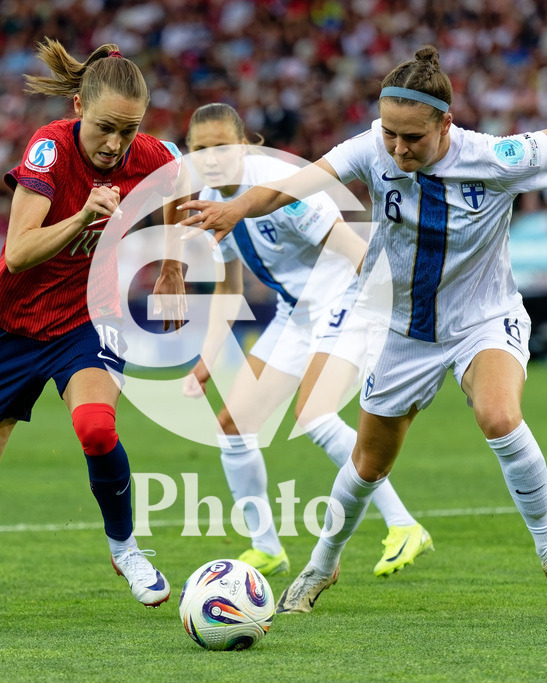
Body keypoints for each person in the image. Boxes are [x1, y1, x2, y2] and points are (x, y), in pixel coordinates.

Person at [178, 46, 547, 614]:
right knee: (369, 464)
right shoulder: (374, 147)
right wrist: (237, 208)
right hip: (402, 330)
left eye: (410, 137)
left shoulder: (496, 157)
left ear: (446, 123)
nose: (396, 148)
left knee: (498, 415)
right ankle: (321, 566)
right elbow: (301, 182)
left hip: (483, 319)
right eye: (389, 133)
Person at [0, 39, 187, 623]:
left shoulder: (147, 155)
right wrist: (81, 217)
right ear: (79, 106)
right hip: (11, 326)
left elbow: (180, 184)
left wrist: (174, 266)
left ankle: (125, 549)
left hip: (87, 317)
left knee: (96, 427)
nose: (114, 144)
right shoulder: (49, 150)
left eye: (127, 132)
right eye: (104, 127)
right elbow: (20, 252)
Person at [182, 103, 433, 578]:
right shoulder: (213, 199)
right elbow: (227, 285)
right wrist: (208, 357)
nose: (211, 158)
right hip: (295, 311)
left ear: (246, 144)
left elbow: (350, 246)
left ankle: (403, 525)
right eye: (201, 149)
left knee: (312, 414)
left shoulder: (281, 187)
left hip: (346, 296)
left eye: (221, 146)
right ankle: (268, 548)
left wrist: (397, 316)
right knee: (233, 425)